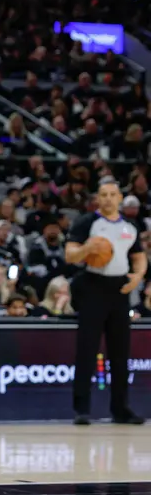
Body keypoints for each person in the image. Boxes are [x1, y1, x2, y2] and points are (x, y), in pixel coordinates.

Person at [65, 177, 146, 425]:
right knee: (87, 349)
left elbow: (139, 257)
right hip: (93, 286)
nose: (108, 199)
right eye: (103, 195)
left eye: (112, 194)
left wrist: (138, 276)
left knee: (120, 353)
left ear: (120, 198)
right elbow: (70, 255)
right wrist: (86, 250)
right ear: (97, 199)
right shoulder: (87, 222)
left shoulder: (130, 226)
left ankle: (120, 409)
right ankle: (82, 409)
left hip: (119, 289)